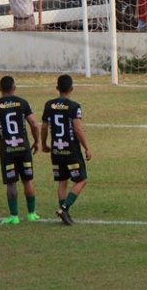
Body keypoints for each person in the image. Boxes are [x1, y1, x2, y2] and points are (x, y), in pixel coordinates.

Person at [0, 76, 41, 225]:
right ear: (14, 88)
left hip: (7, 151)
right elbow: (34, 124)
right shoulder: (23, 103)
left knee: (11, 183)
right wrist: (36, 141)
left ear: (0, 89)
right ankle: (31, 213)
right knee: (27, 180)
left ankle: (14, 216)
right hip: (24, 149)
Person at [41, 74, 92, 226]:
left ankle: (65, 212)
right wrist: (87, 148)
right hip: (71, 151)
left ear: (57, 88)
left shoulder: (49, 105)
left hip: (56, 150)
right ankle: (64, 208)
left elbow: (44, 128)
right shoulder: (74, 106)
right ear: (71, 88)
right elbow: (77, 129)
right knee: (81, 180)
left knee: (62, 181)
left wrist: (43, 144)